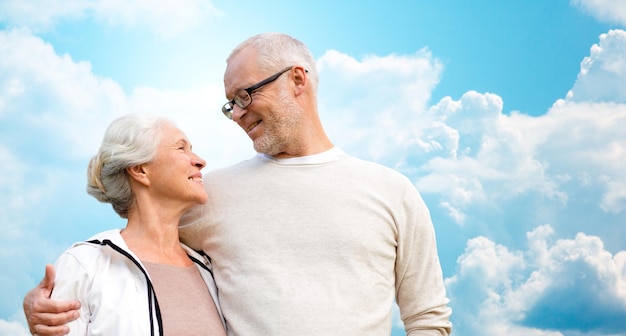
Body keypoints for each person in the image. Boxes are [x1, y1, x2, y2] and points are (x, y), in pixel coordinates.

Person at [24, 33, 452, 335]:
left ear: (297, 80)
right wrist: (44, 304)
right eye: (230, 104)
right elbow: (137, 247)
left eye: (246, 95)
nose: (238, 114)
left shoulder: (392, 192)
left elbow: (428, 319)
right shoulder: (209, 196)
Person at [24, 114, 226, 335]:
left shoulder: (209, 269)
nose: (200, 160)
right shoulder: (85, 265)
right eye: (181, 148)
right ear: (140, 170)